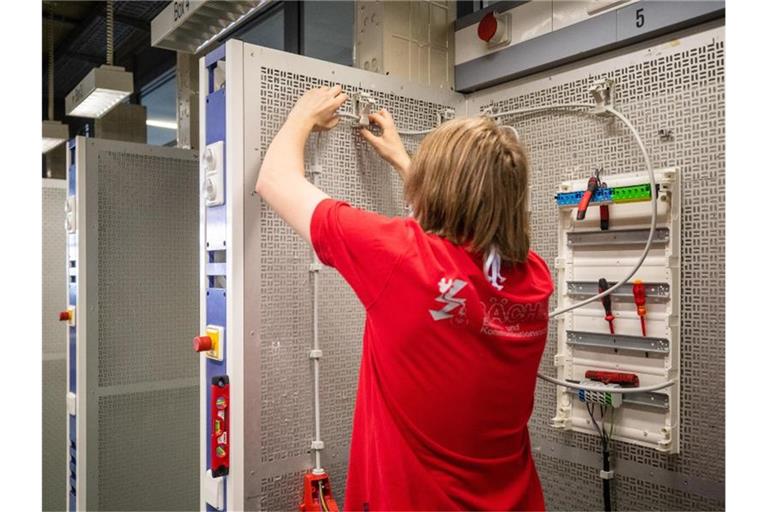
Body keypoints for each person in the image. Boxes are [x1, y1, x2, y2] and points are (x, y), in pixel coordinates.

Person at [255, 85, 553, 511]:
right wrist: (404, 161)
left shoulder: (400, 258)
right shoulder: (534, 278)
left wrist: (301, 115)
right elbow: (460, 241)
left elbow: (275, 180)